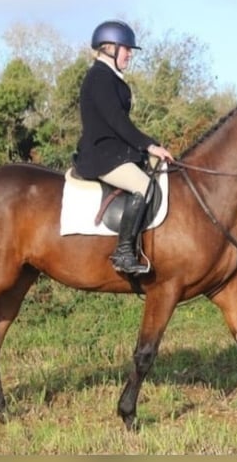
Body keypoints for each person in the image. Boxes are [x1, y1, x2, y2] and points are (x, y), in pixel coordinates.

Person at [73, 19, 174, 274]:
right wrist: (149, 145)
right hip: (101, 155)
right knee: (144, 186)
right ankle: (123, 253)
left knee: (158, 169)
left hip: (115, 151)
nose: (130, 54)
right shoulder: (99, 77)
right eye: (126, 48)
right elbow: (118, 122)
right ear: (109, 47)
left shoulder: (111, 78)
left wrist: (150, 148)